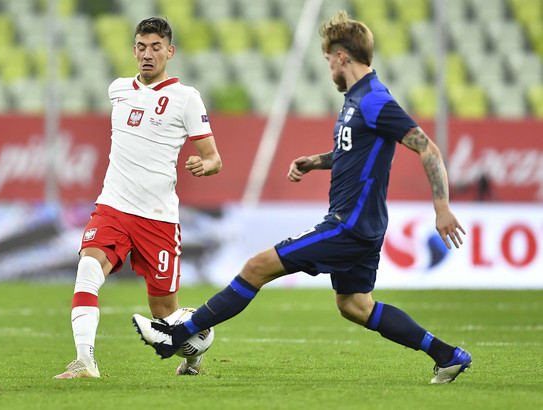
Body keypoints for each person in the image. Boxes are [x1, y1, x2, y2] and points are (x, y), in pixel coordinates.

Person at [132, 10, 472, 384]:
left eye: (329, 59)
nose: (328, 69)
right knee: (355, 305)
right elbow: (355, 150)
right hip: (363, 224)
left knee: (256, 267)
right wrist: (316, 162)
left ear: (342, 56)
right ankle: (447, 355)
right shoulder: (359, 98)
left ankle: (176, 337)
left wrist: (442, 208)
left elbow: (428, 149)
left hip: (349, 225)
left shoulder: (374, 99)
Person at [54, 17, 222, 378]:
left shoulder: (186, 98)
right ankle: (85, 361)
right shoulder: (118, 89)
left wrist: (203, 166)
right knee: (87, 268)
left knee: (164, 311)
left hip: (157, 217)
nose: (148, 54)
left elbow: (214, 158)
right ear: (134, 50)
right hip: (112, 207)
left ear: (169, 52)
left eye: (156, 47)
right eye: (141, 47)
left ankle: (193, 357)